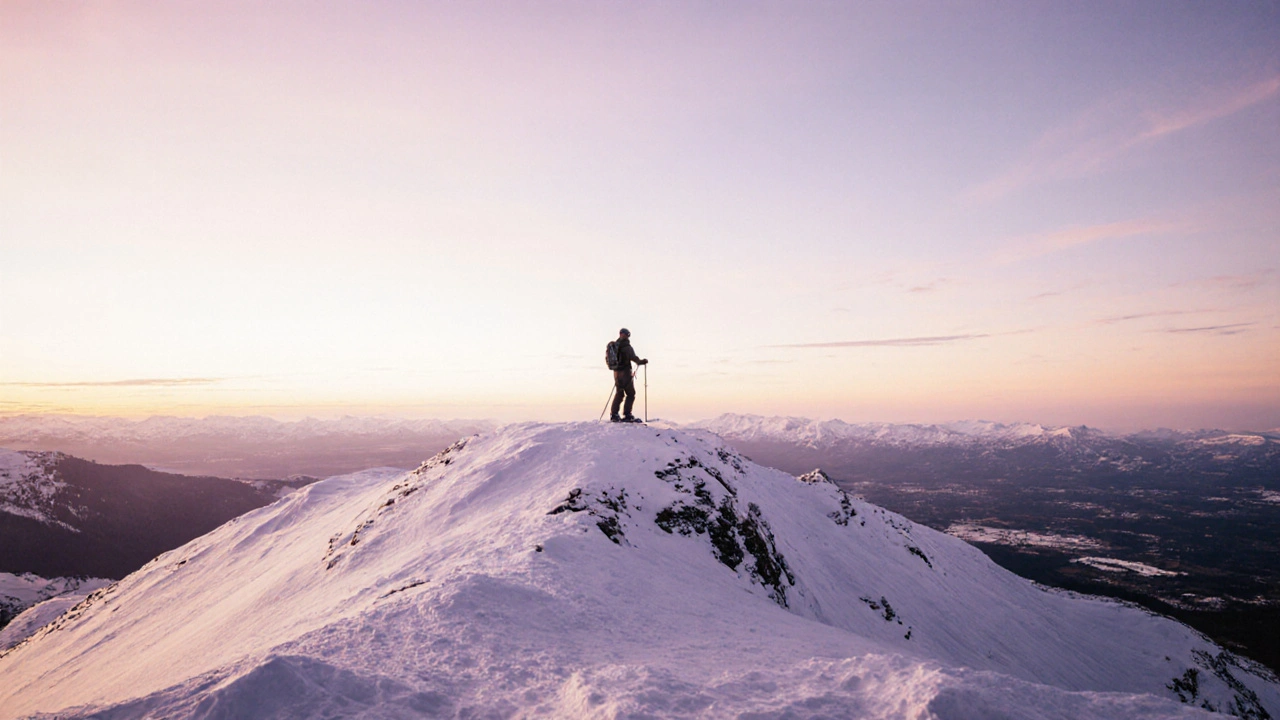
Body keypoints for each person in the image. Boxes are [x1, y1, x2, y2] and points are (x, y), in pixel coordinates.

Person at [610, 328, 648, 423]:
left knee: (619, 393)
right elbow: (634, 358)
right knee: (631, 393)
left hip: (616, 373)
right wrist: (642, 361)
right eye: (627, 334)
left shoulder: (614, 346)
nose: (627, 336)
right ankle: (627, 414)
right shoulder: (627, 347)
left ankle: (614, 414)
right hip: (625, 373)